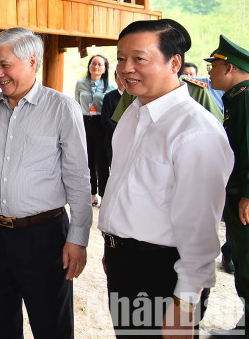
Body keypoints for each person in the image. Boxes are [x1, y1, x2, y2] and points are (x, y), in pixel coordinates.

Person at [98, 19, 232, 338]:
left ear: (174, 62)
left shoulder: (195, 131)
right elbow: (125, 186)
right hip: (124, 261)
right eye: (120, 58)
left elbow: (200, 231)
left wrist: (184, 303)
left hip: (163, 271)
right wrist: (113, 246)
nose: (125, 68)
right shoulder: (134, 113)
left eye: (139, 58)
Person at [0, 27, 91, 339]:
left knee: (51, 326)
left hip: (45, 235)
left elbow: (78, 177)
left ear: (32, 61)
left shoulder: (61, 108)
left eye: (5, 65)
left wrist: (78, 237)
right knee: (1, 322)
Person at [205, 35, 249, 333]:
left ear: (230, 68)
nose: (210, 73)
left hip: (243, 198)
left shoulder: (245, 97)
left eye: (214, 66)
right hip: (235, 197)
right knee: (243, 263)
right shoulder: (237, 98)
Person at [74, 55, 116, 206]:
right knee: (87, 161)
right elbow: (77, 104)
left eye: (100, 65)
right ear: (89, 65)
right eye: (94, 63)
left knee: (102, 162)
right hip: (85, 122)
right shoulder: (80, 84)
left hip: (101, 124)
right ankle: (91, 194)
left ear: (105, 69)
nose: (96, 67)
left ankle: (104, 195)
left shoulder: (110, 87)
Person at [100, 71, 124, 168]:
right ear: (115, 79)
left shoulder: (135, 97)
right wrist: (119, 131)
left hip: (130, 140)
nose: (122, 79)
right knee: (114, 168)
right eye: (119, 77)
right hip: (112, 138)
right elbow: (105, 119)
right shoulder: (109, 97)